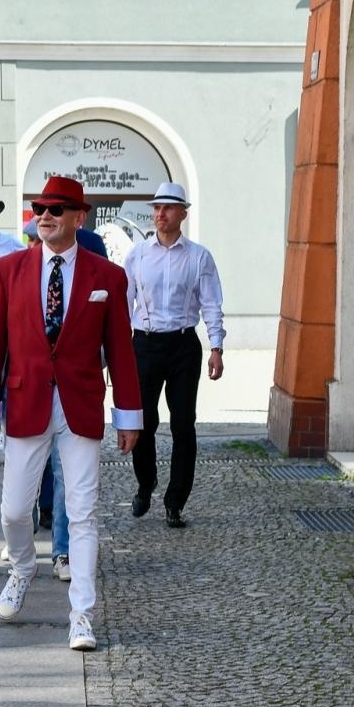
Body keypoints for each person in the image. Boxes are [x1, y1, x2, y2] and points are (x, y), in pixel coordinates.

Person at [0, 175, 143, 651]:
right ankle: (22, 567)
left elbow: (121, 350)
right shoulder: (8, 270)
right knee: (14, 510)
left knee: (83, 512)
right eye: (40, 207)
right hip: (25, 401)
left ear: (79, 217)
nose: (45, 215)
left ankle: (81, 616)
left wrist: (128, 415)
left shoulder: (108, 277)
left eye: (57, 208)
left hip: (80, 404)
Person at [123, 182, 225, 528]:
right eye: (156, 207)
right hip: (145, 343)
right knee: (142, 420)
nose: (160, 214)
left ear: (183, 213)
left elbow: (211, 304)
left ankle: (175, 501)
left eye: (167, 207)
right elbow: (124, 304)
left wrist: (216, 348)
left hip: (183, 345)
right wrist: (117, 351)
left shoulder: (198, 256)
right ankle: (145, 481)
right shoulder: (137, 255)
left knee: (183, 424)